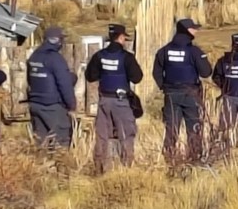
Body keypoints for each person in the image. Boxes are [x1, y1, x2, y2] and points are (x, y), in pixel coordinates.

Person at [86, 24, 144, 173]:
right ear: (121, 37)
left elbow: (90, 76)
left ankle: (100, 170)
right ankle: (126, 169)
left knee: (102, 137)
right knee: (126, 135)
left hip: (104, 101)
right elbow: (137, 78)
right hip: (121, 102)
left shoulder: (99, 56)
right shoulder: (127, 57)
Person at [153, 18, 212, 164]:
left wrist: (164, 87)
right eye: (193, 28)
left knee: (171, 128)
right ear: (186, 31)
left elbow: (156, 71)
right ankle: (195, 159)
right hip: (190, 94)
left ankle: (169, 160)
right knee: (194, 129)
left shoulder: (164, 50)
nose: (196, 31)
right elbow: (206, 72)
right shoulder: (194, 51)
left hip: (171, 95)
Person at [26, 26, 77, 149]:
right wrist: (71, 105)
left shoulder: (34, 56)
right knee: (60, 143)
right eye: (61, 39)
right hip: (52, 107)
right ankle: (60, 167)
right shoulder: (55, 59)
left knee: (41, 143)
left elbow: (30, 80)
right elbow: (64, 84)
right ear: (56, 40)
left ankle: (41, 167)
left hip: (36, 105)